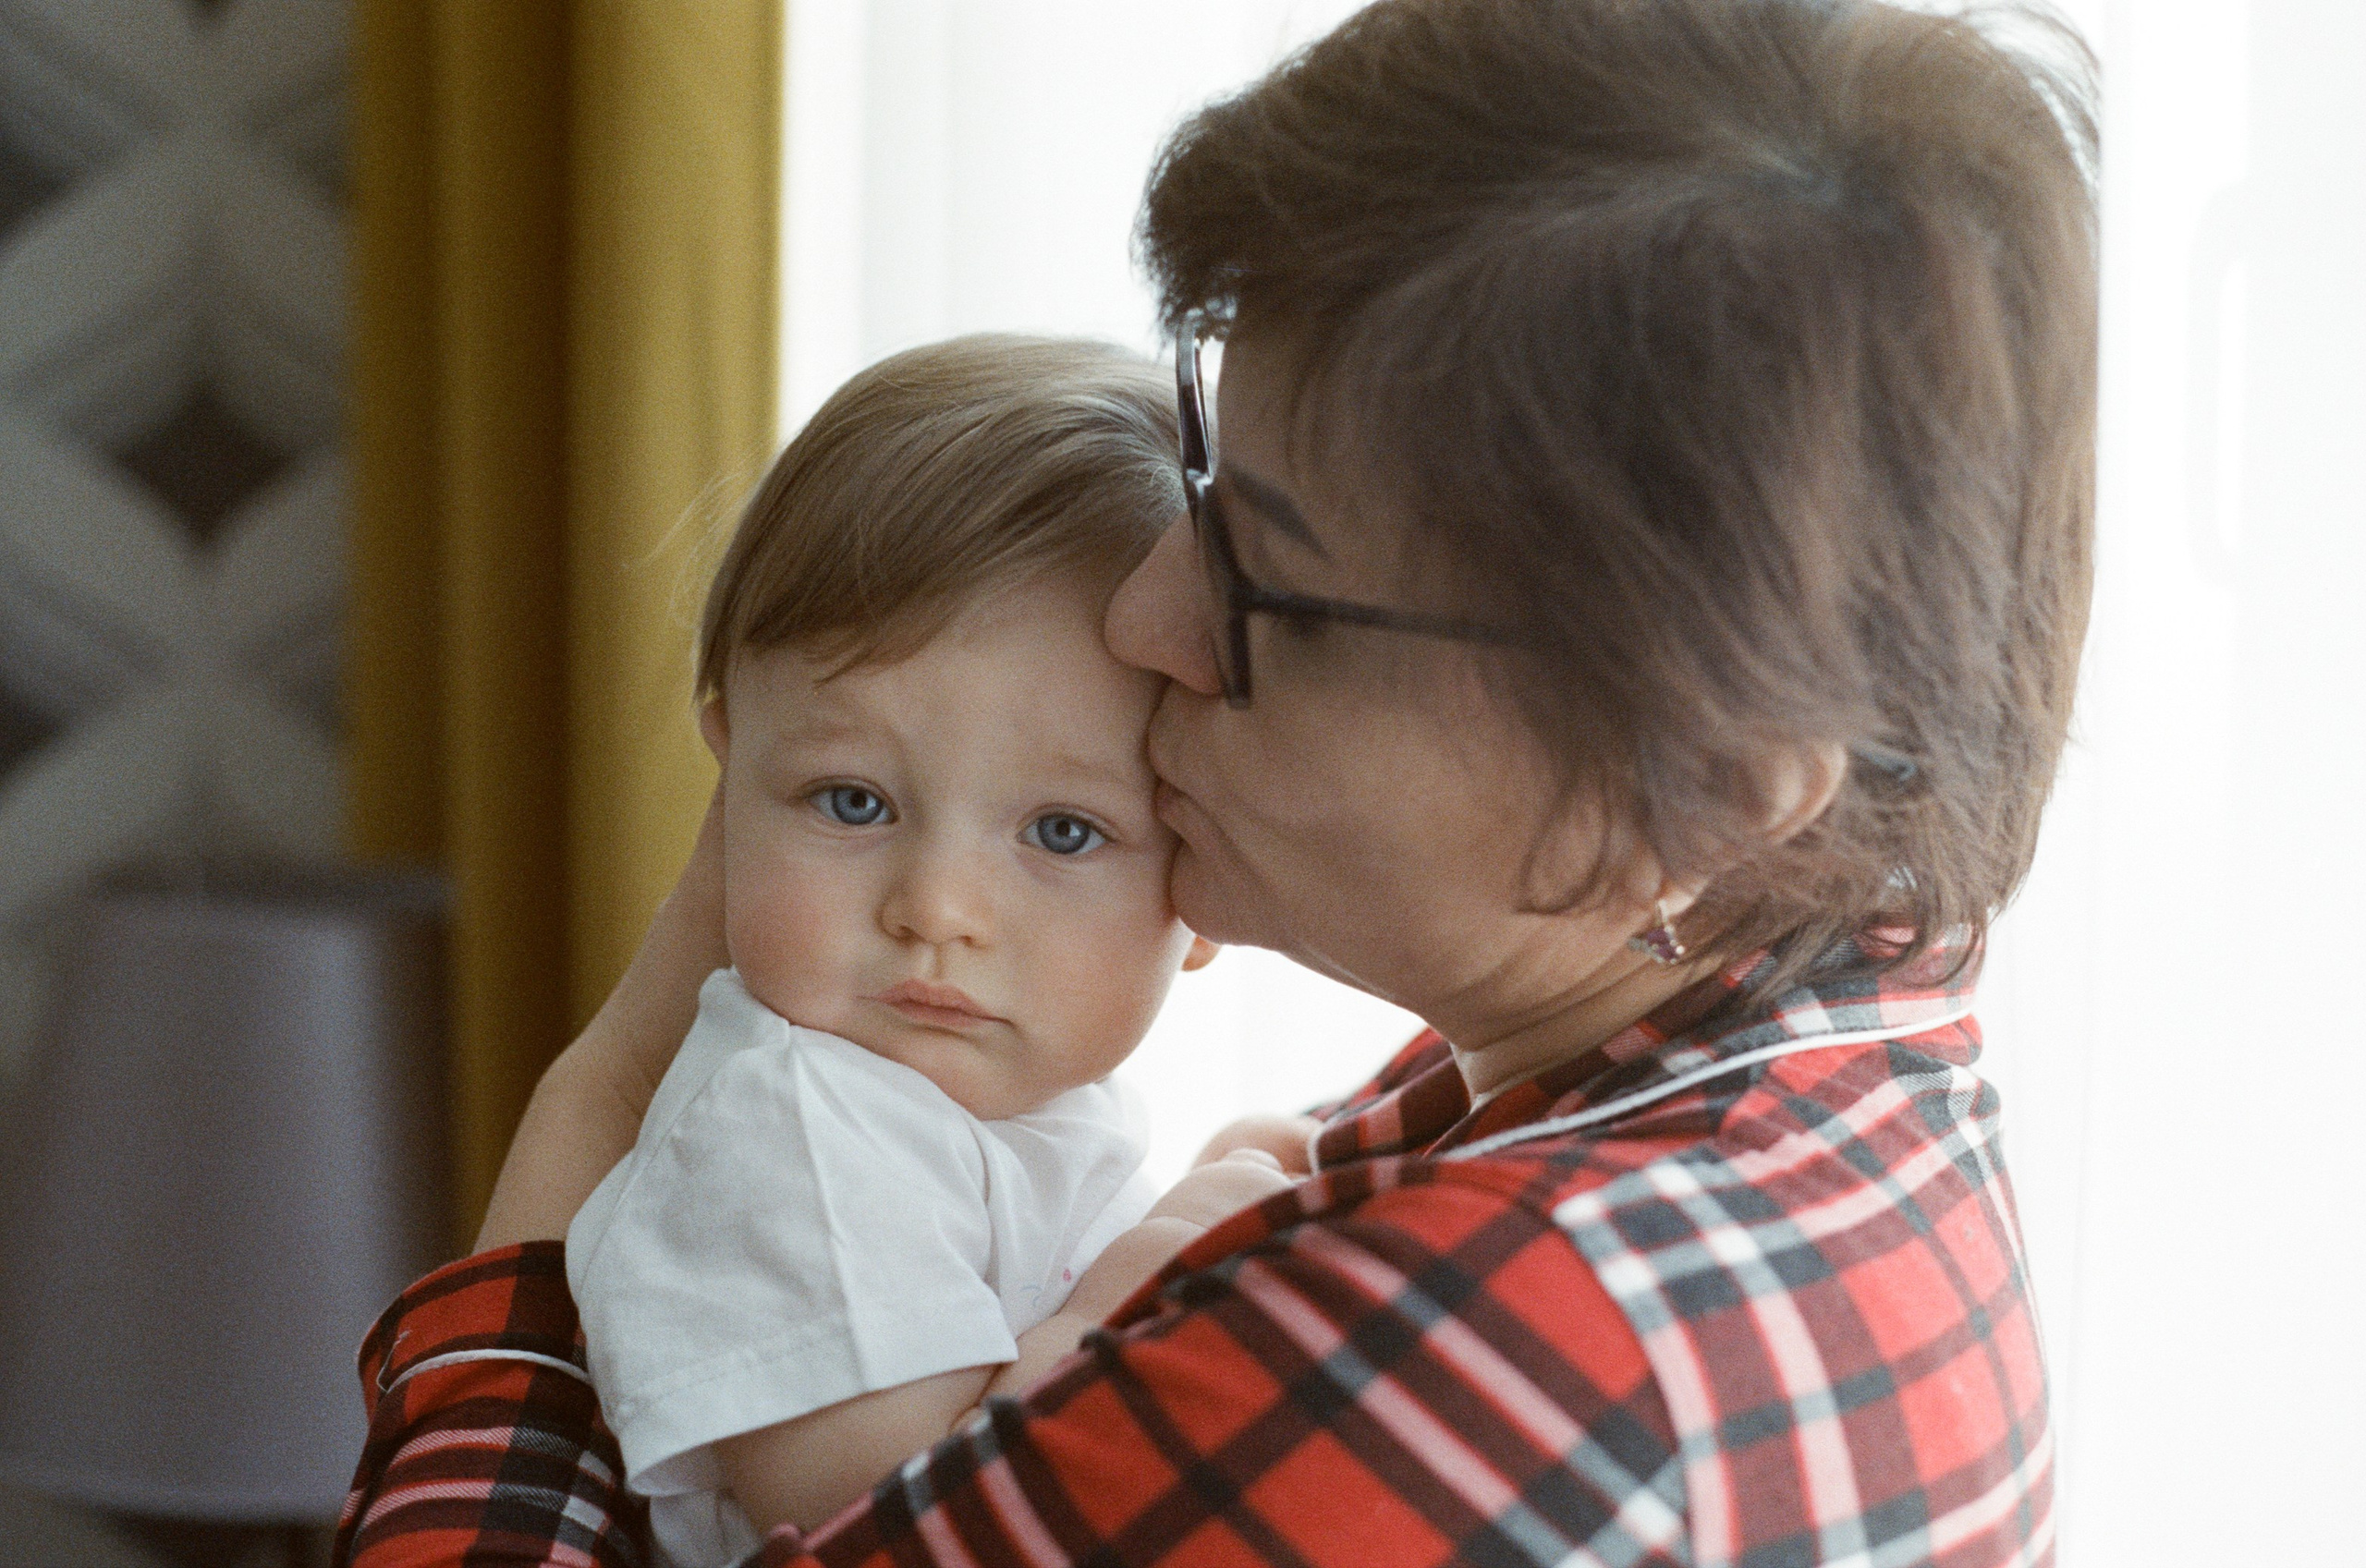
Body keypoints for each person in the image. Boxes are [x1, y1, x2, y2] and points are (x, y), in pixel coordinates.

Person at [334, 2, 2096, 1564]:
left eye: (1273, 584)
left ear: (1700, 783)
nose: (1147, 610)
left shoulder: (1495, 1362)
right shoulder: (1810, 1080)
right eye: (1203, 476)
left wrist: (586, 1124)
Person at [563, 335, 1292, 1563]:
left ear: (1199, 860)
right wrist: (1160, 1262)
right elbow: (907, 1523)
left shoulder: (996, 1104)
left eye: (1064, 831)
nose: (937, 907)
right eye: (853, 802)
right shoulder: (795, 1126)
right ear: (731, 770)